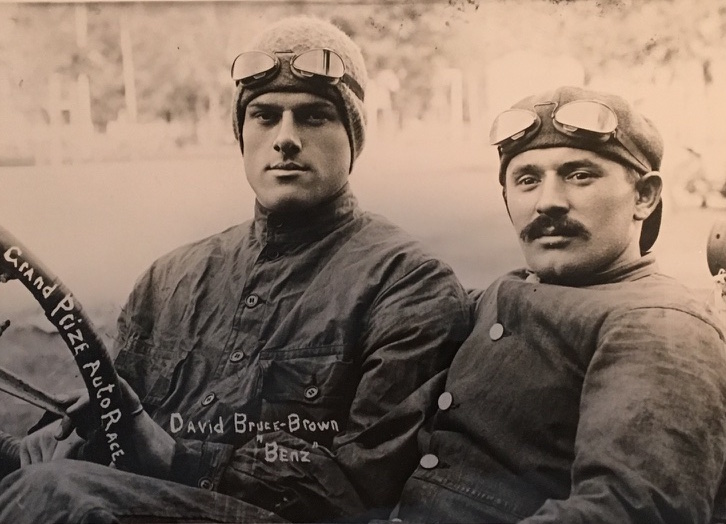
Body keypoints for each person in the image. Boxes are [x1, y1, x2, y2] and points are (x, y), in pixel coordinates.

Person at [0, 16, 470, 523]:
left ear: (353, 137)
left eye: (314, 117)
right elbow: (118, 434)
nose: (285, 138)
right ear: (242, 134)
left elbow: (361, 491)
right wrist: (68, 436)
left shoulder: (408, 284)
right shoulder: (169, 279)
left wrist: (175, 456)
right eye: (265, 116)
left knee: (56, 495)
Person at [395, 85, 726, 523]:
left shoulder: (658, 324)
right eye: (527, 179)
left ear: (643, 196)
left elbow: (629, 510)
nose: (548, 201)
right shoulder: (501, 292)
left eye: (579, 175)